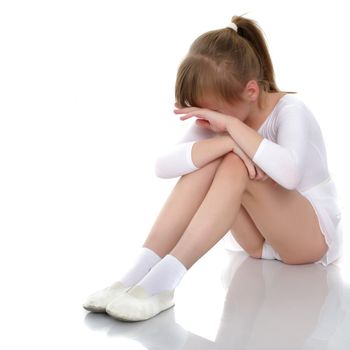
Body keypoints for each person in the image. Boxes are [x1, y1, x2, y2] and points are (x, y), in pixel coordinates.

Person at [83, 15, 343, 322]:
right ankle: (136, 274)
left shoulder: (290, 111)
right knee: (210, 155)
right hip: (258, 243)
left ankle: (163, 282)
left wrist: (232, 128)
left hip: (309, 239)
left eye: (212, 111)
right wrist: (226, 141)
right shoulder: (222, 114)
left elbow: (289, 175)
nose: (207, 118)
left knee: (233, 162)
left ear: (251, 91)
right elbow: (162, 166)